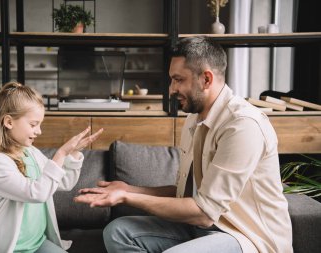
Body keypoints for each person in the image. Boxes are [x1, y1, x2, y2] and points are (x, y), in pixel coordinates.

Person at [75, 37, 293, 253]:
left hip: (246, 238)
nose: (171, 89)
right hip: (200, 228)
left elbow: (204, 212)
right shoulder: (194, 119)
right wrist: (128, 188)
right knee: (118, 232)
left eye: (178, 79)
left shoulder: (242, 125)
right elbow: (184, 196)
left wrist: (127, 197)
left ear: (206, 79)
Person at [0, 82, 103, 253]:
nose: (39, 131)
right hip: (9, 249)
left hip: (37, 243)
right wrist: (61, 154)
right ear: (9, 122)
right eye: (33, 125)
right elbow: (36, 193)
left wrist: (74, 154)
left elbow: (63, 182)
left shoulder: (31, 153)